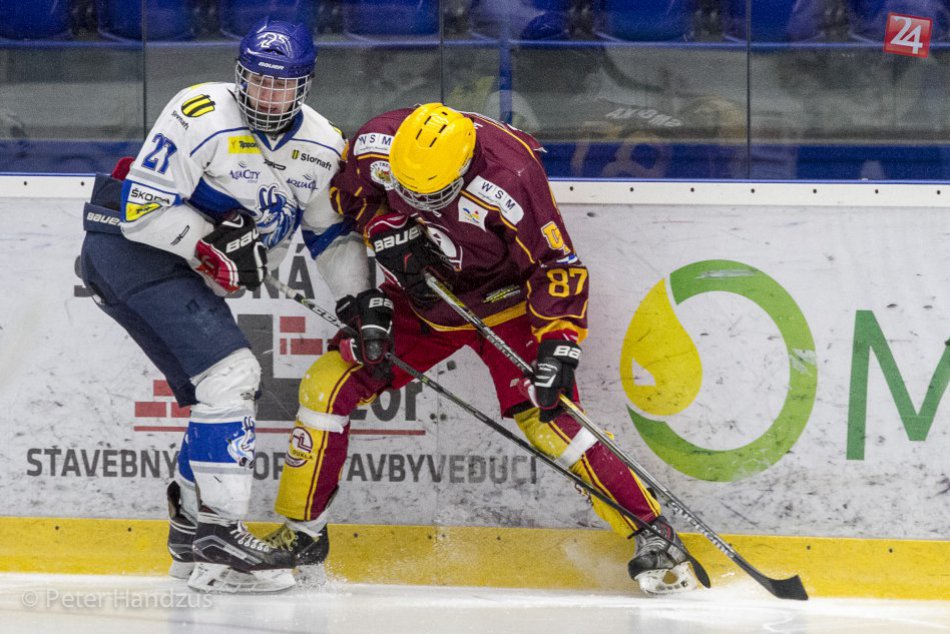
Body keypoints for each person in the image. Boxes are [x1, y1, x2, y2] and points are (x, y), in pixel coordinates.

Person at [265, 102, 699, 595]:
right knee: (326, 386)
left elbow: (555, 266)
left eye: (436, 196)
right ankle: (302, 536)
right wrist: (385, 230)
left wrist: (558, 345)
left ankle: (652, 533)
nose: (421, 205)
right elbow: (352, 202)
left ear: (465, 167)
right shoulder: (373, 146)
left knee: (550, 416)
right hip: (421, 304)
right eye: (410, 193)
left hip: (507, 306)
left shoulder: (512, 175)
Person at [79, 18, 370, 593]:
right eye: (257, 82)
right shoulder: (200, 110)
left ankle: (198, 552)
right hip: (128, 250)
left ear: (304, 85)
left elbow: (330, 237)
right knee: (233, 374)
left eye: (281, 85)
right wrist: (212, 246)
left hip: (181, 272)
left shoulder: (322, 146)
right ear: (240, 76)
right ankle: (219, 530)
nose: (267, 96)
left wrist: (361, 304)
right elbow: (142, 208)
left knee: (218, 392)